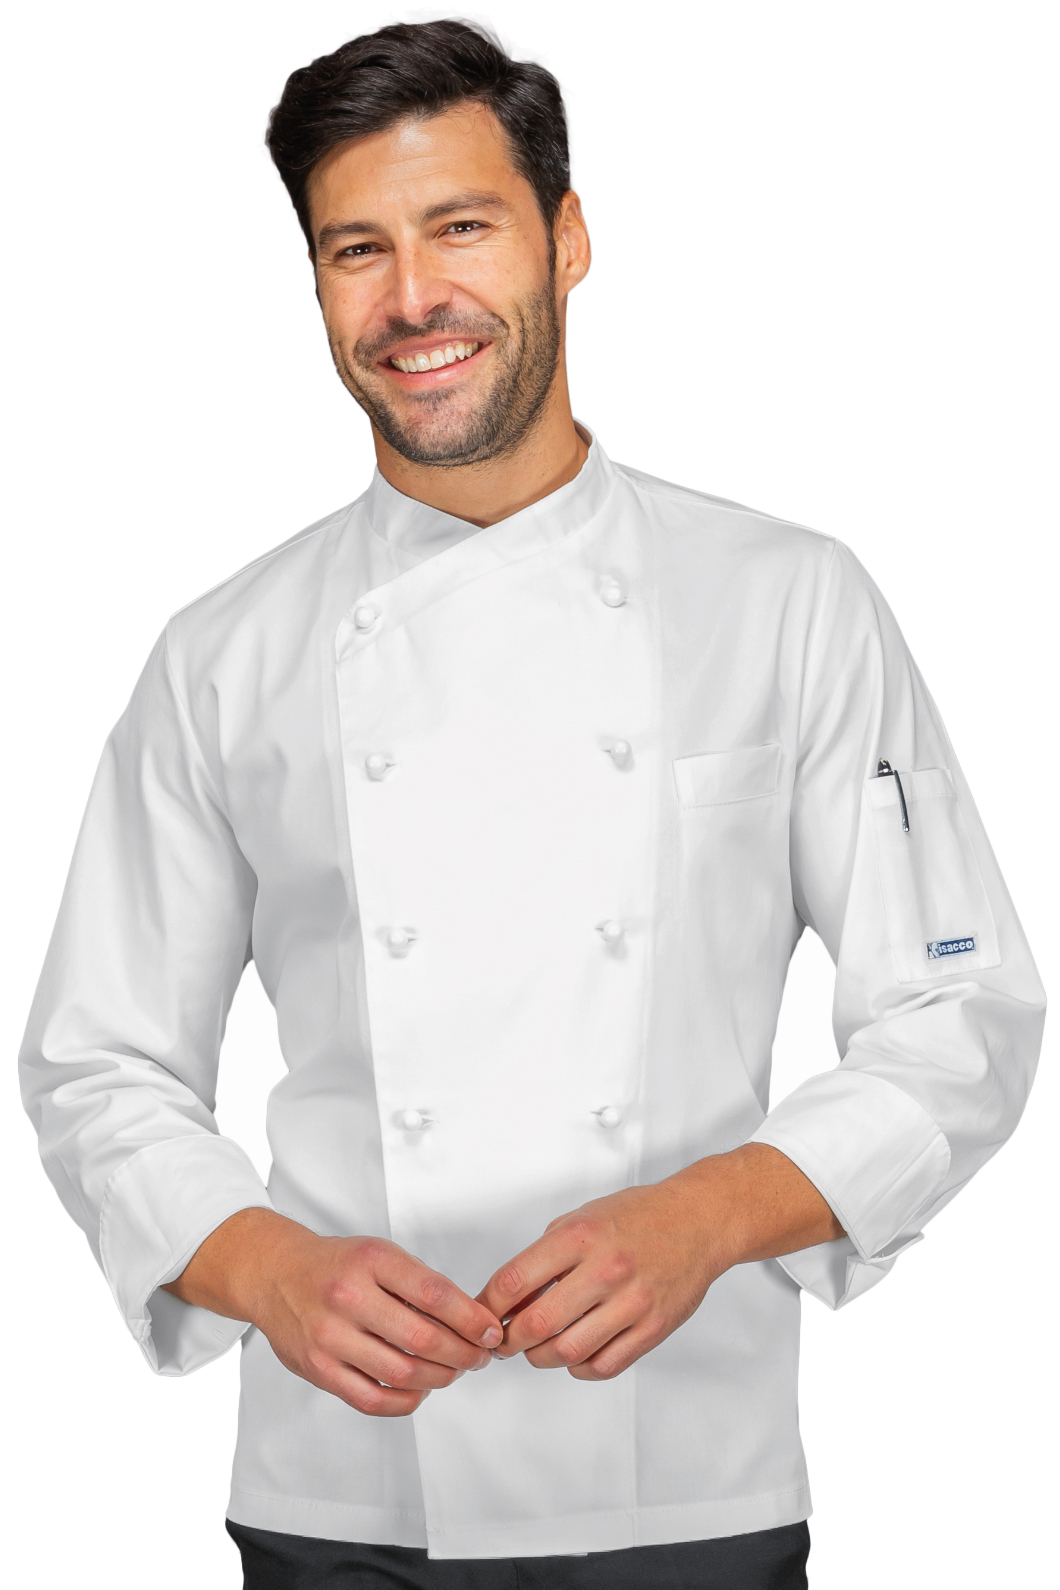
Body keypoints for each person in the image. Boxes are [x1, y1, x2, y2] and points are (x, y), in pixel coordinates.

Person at [19, 18, 1045, 1590]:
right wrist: (264, 1266)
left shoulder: (787, 602)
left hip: (683, 1477)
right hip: (343, 1488)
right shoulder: (224, 653)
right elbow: (99, 1057)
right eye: (356, 249)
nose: (411, 297)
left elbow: (959, 1009)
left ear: (567, 240)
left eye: (461, 226)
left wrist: (713, 1213)